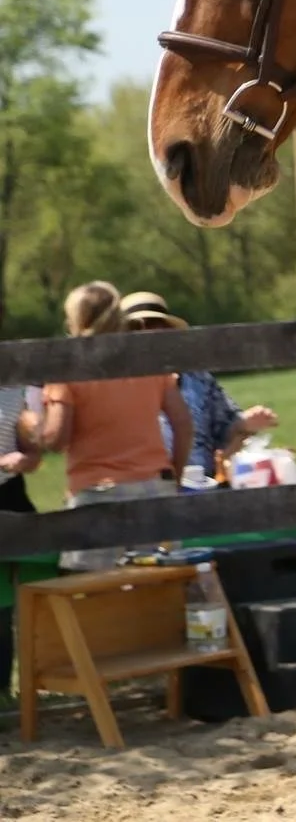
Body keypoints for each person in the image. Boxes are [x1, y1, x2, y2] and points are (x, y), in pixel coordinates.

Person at [38, 282, 192, 570]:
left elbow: (57, 439)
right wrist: (174, 478)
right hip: (154, 488)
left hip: (98, 493)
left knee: (93, 594)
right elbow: (182, 423)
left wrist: (32, 426)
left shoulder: (68, 368)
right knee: (159, 587)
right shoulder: (146, 361)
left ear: (75, 320)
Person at [122, 292, 278, 482]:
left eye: (157, 325)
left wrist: (245, 423)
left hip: (200, 486)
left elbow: (225, 426)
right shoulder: (114, 387)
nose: (149, 333)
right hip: (139, 488)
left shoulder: (197, 378)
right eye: (138, 327)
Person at [0, 381, 43, 682]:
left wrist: (26, 459)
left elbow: (32, 450)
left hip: (8, 495)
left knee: (6, 606)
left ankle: (3, 686)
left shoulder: (13, 385)